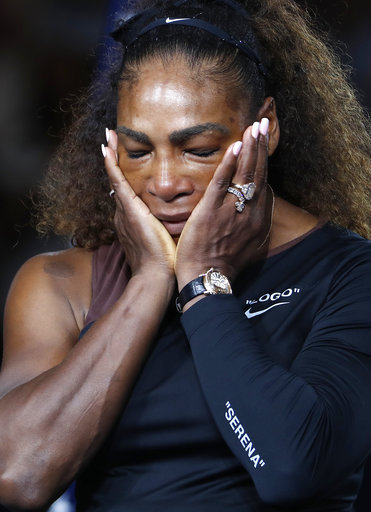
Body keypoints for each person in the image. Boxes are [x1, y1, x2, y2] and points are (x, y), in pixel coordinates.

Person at [0, 0, 370, 510]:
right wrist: (151, 280)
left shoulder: (349, 274)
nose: (165, 183)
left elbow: (291, 471)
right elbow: (17, 478)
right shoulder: (62, 284)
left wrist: (201, 281)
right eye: (137, 151)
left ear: (265, 127)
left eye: (197, 149)